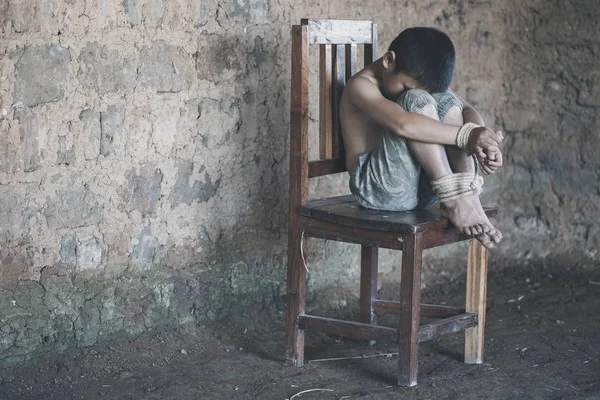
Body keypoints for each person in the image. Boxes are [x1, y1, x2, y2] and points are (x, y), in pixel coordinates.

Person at [340, 27, 503, 248]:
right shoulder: (360, 85)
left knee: (445, 98)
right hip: (378, 191)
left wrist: (482, 144)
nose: (405, 91)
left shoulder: (410, 77)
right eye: (405, 84)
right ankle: (454, 198)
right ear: (389, 60)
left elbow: (467, 108)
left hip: (423, 189)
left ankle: (467, 194)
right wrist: (468, 136)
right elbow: (403, 124)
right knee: (415, 99)